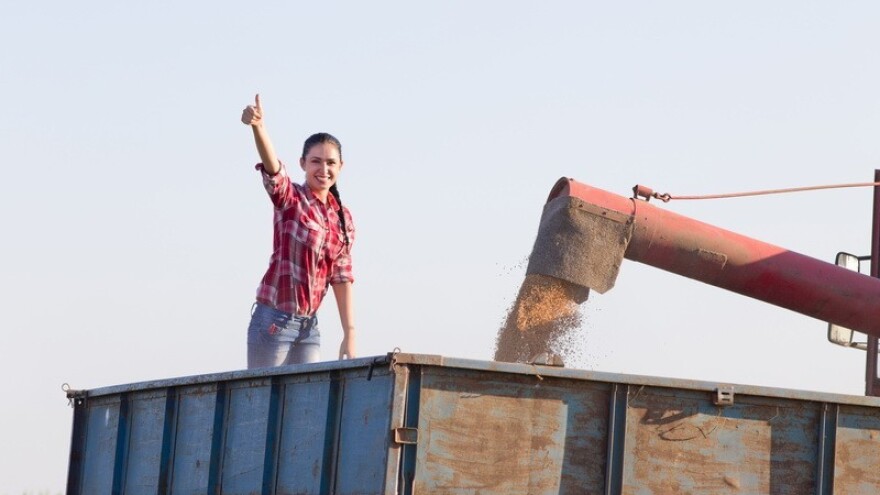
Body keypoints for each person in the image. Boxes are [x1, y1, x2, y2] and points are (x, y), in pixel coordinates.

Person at [241, 94, 356, 368]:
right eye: (316, 161)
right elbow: (273, 170)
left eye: (330, 163)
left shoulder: (343, 218)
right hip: (273, 322)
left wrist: (349, 331)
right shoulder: (292, 200)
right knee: (261, 404)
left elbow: (341, 276)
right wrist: (258, 128)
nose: (323, 169)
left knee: (307, 405)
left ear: (340, 167)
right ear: (303, 163)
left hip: (308, 328)